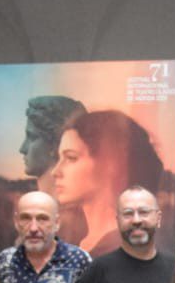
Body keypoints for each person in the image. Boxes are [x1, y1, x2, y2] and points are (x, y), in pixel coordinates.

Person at [53, 109, 168, 256]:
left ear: (110, 164)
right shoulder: (83, 242)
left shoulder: (122, 248)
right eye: (59, 158)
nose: (56, 171)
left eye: (71, 158)